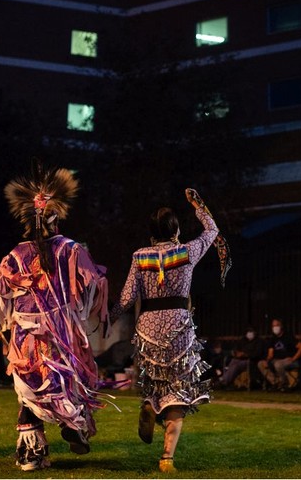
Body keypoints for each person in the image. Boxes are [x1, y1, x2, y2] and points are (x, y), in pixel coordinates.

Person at [0, 162, 108, 472]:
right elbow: (91, 283)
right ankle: (73, 425)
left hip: (24, 335)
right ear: (57, 218)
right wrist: (80, 309)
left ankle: (31, 454)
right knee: (65, 383)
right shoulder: (71, 249)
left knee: (29, 393)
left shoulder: (15, 254)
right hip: (59, 333)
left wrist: (0, 324)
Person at [109, 188, 220, 473]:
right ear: (176, 230)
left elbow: (125, 298)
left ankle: (149, 404)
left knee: (155, 384)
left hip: (148, 328)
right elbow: (212, 230)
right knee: (178, 391)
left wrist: (108, 319)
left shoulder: (139, 256)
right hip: (178, 329)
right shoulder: (186, 251)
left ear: (151, 233)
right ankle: (167, 457)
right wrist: (198, 205)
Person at [258, 318, 301, 391]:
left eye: (277, 325)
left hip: (290, 360)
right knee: (261, 364)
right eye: (273, 326)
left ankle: (284, 384)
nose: (275, 328)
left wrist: (294, 358)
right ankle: (275, 383)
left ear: (281, 326)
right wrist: (267, 361)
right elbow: (270, 354)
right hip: (277, 360)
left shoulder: (288, 336)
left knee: (278, 364)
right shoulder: (272, 338)